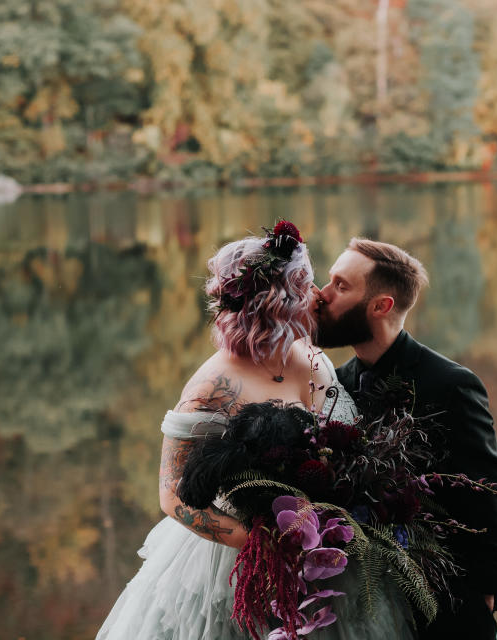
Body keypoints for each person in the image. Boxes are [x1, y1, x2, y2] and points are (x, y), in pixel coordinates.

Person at [96, 223, 415, 640]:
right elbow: (172, 494)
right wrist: (265, 545)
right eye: (306, 286)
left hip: (335, 552)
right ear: (278, 304)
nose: (318, 294)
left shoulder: (311, 354)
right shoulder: (212, 386)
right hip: (244, 562)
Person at [315, 238, 497, 639]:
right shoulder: (334, 383)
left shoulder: (451, 384)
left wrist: (486, 592)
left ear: (381, 306)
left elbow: (490, 492)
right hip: (366, 597)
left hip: (447, 597)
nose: (322, 296)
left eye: (340, 286)